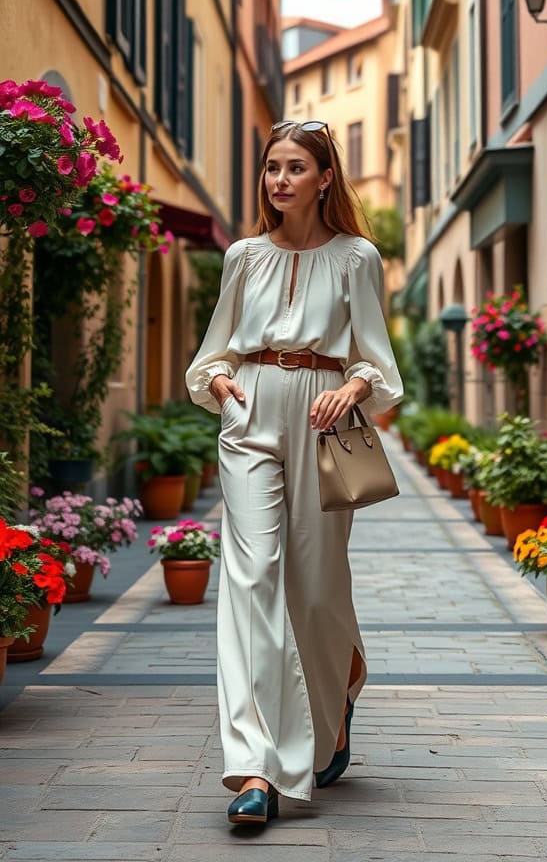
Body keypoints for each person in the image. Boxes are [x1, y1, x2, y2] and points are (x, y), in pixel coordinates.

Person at [185, 120, 403, 825]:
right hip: (250, 417)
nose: (279, 180)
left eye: (295, 168)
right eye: (272, 167)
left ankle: (337, 686)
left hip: (323, 420)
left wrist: (355, 387)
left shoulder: (357, 258)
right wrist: (220, 386)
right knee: (250, 585)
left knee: (313, 590)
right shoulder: (244, 256)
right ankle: (255, 768)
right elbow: (212, 353)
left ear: (324, 177)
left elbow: (377, 360)